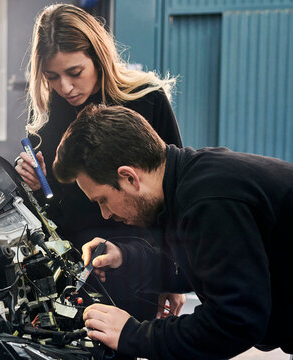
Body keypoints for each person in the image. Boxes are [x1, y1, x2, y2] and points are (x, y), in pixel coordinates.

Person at [52, 104, 293, 359]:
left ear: (129, 178)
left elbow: (236, 322)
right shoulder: (189, 182)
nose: (105, 214)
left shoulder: (210, 200)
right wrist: (125, 258)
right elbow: (200, 267)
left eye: (102, 200)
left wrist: (131, 335)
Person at [15, 3, 185, 321]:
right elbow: (53, 208)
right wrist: (39, 187)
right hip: (75, 262)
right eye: (52, 77)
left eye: (74, 73)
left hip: (138, 257)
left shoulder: (148, 99)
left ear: (98, 56)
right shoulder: (46, 115)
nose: (64, 87)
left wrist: (171, 274)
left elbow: (174, 193)